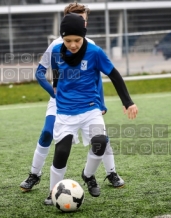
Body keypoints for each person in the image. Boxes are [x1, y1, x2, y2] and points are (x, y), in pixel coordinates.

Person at [20, 2, 124, 199]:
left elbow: (97, 79)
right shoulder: (56, 45)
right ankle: (35, 174)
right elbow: (42, 72)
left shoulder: (91, 46)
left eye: (84, 18)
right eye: (78, 16)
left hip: (88, 101)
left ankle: (110, 173)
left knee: (101, 138)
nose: (82, 20)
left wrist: (100, 103)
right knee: (47, 134)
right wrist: (54, 93)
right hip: (60, 99)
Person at [43, 13, 138, 204]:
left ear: (84, 36)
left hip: (90, 109)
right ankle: (53, 191)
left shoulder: (95, 52)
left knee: (100, 141)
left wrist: (128, 102)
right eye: (67, 40)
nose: (72, 45)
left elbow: (115, 75)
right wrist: (57, 90)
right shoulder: (56, 52)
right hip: (65, 111)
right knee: (61, 152)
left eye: (77, 40)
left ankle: (88, 175)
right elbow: (55, 72)